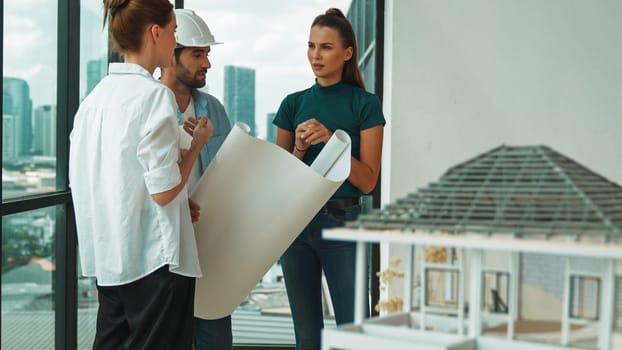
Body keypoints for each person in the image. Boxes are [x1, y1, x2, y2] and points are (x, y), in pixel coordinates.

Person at [68, 1, 213, 349]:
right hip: (154, 262)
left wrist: (179, 198)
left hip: (111, 258)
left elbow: (114, 178)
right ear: (156, 32)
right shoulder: (154, 97)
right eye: (174, 32)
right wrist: (196, 145)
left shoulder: (92, 102)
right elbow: (163, 192)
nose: (174, 40)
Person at [273, 7, 385, 350]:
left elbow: (368, 182)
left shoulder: (364, 105)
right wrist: (300, 150)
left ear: (347, 53)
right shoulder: (292, 105)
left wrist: (334, 142)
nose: (315, 56)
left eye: (325, 47)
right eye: (311, 46)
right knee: (307, 336)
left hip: (342, 222)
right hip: (295, 223)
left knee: (353, 332)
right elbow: (279, 184)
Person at [160, 9, 233, 350]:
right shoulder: (150, 108)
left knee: (214, 338)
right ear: (170, 53)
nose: (207, 63)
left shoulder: (214, 109)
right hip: (165, 252)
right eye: (197, 54)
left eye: (207, 54)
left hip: (208, 246)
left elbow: (231, 171)